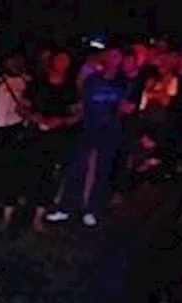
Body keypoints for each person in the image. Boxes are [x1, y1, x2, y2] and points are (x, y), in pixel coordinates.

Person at [47, 47, 134, 228]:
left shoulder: (124, 83)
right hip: (88, 129)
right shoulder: (92, 80)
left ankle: (91, 210)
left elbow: (127, 107)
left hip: (110, 132)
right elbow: (83, 103)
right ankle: (65, 207)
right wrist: (76, 111)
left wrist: (125, 110)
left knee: (102, 172)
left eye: (116, 56)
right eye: (109, 55)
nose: (112, 59)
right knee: (76, 168)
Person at [26, 51, 81, 232]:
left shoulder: (70, 87)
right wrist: (33, 116)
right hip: (35, 134)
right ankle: (24, 207)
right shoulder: (38, 83)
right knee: (30, 171)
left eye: (66, 60)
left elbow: (78, 113)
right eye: (59, 59)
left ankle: (39, 215)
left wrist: (62, 121)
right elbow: (22, 106)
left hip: (57, 137)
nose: (61, 63)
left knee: (49, 175)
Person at [0, 51, 32, 230]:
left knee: (13, 167)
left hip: (16, 127)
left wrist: (25, 125)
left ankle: (10, 205)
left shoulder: (27, 81)